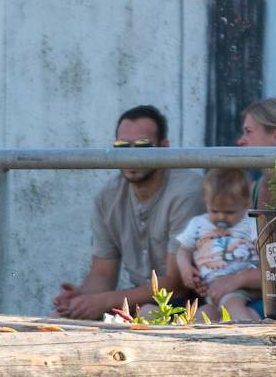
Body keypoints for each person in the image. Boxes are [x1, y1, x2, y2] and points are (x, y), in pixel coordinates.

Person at [53, 105, 204, 320]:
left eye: (142, 146)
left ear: (165, 148)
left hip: (193, 302)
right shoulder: (107, 197)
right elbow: (103, 273)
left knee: (148, 315)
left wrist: (103, 301)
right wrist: (80, 298)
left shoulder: (186, 191)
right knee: (57, 318)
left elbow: (176, 285)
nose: (131, 155)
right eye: (123, 146)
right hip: (138, 302)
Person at [169, 168, 260, 322]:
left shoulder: (250, 224)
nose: (221, 217)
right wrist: (185, 269)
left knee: (231, 303)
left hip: (243, 286)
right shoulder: (198, 224)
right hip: (211, 291)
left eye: (230, 212)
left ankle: (252, 334)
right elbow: (184, 249)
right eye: (214, 210)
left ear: (246, 203)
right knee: (203, 315)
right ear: (206, 202)